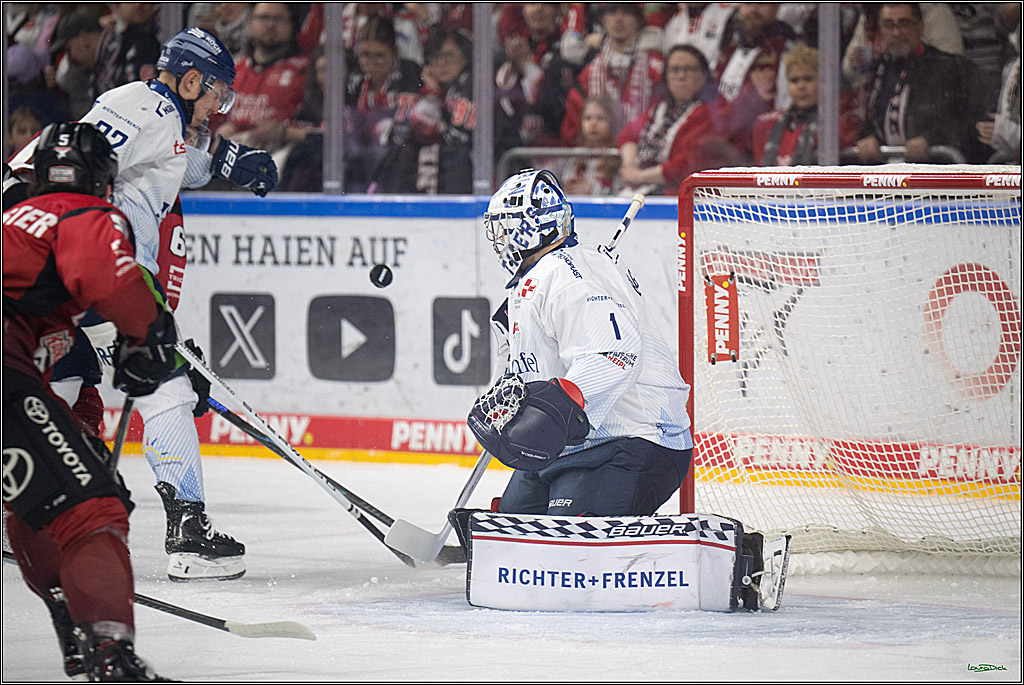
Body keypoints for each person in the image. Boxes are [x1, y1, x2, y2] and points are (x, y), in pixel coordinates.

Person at [6, 27, 278, 582]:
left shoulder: (158, 118)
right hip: (80, 268)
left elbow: (173, 159)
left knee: (68, 375)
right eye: (217, 96)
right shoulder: (146, 105)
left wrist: (232, 163)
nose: (218, 108)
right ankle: (189, 533)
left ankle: (26, 513)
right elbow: (52, 166)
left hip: (56, 279)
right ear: (192, 80)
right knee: (167, 383)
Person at [4, 121, 179, 681]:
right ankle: (107, 653)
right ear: (103, 180)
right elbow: (115, 285)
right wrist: (147, 335)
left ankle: (72, 618)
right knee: (90, 509)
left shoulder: (13, 220)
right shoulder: (83, 213)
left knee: (36, 500)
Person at [473, 169, 693, 517]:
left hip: (633, 441)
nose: (500, 238)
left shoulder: (567, 277)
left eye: (508, 227)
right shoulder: (542, 276)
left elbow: (615, 353)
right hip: (570, 445)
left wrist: (558, 407)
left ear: (534, 228)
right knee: (514, 533)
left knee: (564, 554)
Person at [855, 3, 985, 164]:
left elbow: (967, 123)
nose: (896, 33)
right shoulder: (878, 70)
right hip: (888, 175)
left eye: (904, 23)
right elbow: (870, 121)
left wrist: (930, 140)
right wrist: (870, 138)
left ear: (920, 27)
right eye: (889, 25)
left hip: (934, 174)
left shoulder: (949, 69)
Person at [618, 44, 720, 197]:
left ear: (704, 75)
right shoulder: (660, 107)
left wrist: (639, 177)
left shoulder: (714, 111)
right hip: (643, 189)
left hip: (683, 198)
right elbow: (628, 135)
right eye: (674, 70)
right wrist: (630, 167)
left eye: (689, 69)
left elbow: (689, 164)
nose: (681, 76)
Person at [213, 3, 310, 158]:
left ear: (291, 25)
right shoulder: (233, 71)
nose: (271, 25)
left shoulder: (304, 71)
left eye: (279, 19)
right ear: (251, 22)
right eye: (264, 18)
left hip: (280, 157)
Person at [560, 3, 665, 144]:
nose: (618, 19)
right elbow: (572, 131)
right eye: (612, 11)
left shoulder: (657, 70)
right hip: (598, 158)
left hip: (644, 155)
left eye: (627, 12)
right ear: (602, 19)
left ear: (640, 19)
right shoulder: (588, 75)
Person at [343, 16, 423, 193]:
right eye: (365, 55)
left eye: (379, 55)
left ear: (394, 53)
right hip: (363, 155)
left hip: (399, 158)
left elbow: (409, 127)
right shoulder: (355, 81)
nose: (371, 62)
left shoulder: (411, 75)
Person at [752, 43, 861, 166]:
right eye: (794, 80)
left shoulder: (838, 122)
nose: (801, 86)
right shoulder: (766, 125)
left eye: (808, 79)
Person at [410, 27, 475, 194]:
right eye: (435, 57)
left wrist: (433, 96)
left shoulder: (472, 85)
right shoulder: (445, 89)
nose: (441, 63)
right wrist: (432, 94)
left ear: (465, 57)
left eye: (448, 55)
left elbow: (457, 139)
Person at [561, 95, 622, 196]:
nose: (593, 123)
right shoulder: (577, 156)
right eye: (588, 118)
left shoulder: (616, 156)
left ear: (612, 123)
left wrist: (592, 190)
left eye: (600, 118)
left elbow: (621, 195)